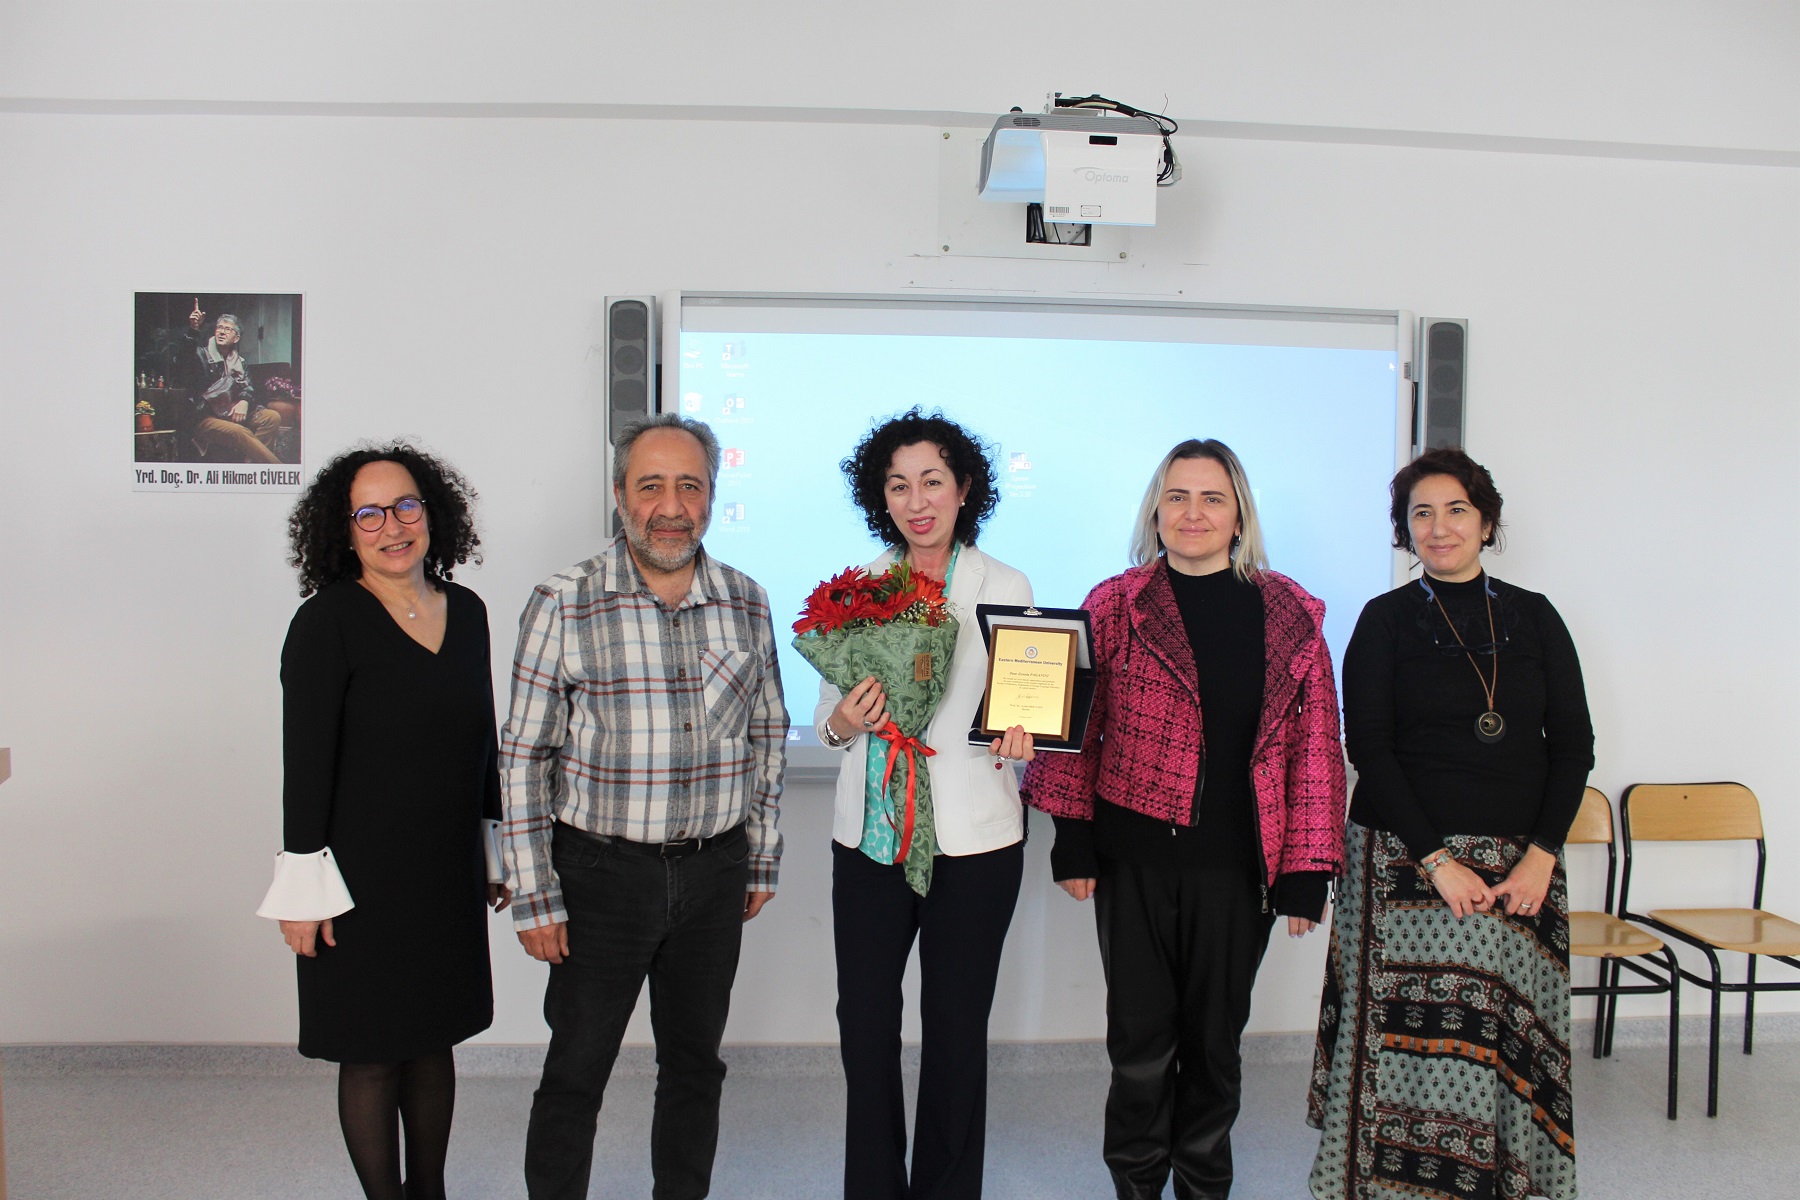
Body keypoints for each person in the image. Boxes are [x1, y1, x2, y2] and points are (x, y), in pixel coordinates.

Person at [1020, 438, 1347, 1200]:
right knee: (1138, 1047)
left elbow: (1315, 748)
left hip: (1238, 869)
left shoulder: (1289, 613)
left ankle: (1203, 1186)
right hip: (1132, 861)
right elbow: (1077, 730)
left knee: (1213, 1049)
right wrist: (1072, 842)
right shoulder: (1115, 603)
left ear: (1239, 516)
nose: (1192, 513)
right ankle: (1136, 1186)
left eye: (1211, 498)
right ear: (1155, 512)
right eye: (1177, 497)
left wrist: (1307, 872)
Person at [500, 412, 788, 1200]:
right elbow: (523, 757)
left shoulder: (746, 600)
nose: (670, 506)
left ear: (711, 496)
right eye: (651, 486)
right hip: (599, 877)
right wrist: (535, 896)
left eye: (689, 486)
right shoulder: (564, 601)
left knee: (694, 1068)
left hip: (714, 872)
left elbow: (767, 734)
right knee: (576, 1071)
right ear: (620, 494)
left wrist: (760, 857)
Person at [1307, 448, 1591, 1200]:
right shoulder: (1385, 620)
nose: (1439, 528)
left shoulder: (1535, 616)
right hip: (1403, 860)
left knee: (1504, 1035)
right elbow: (1369, 748)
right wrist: (1438, 860)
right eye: (1421, 514)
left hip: (1521, 868)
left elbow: (1573, 747)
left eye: (1456, 510)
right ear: (1404, 530)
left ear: (1486, 521)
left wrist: (1541, 857)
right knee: (1410, 1046)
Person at [256, 442, 510, 1200]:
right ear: (344, 530)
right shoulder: (325, 622)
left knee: (432, 1042)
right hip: (356, 882)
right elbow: (304, 765)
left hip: (444, 871)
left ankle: (430, 1191)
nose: (392, 526)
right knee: (370, 1055)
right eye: (369, 514)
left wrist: (493, 849)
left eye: (405, 506)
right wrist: (302, 892)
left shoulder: (468, 612)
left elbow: (483, 740)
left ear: (432, 513)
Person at [818, 409, 1036, 1200]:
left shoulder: (1005, 586)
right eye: (899, 485)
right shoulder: (860, 588)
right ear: (881, 497)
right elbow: (827, 723)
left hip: (975, 845)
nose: (917, 501)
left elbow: (1026, 704)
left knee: (955, 1034)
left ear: (964, 488)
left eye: (932, 482)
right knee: (866, 1029)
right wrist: (846, 720)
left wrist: (1026, 736)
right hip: (872, 842)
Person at [178, 301, 281, 463]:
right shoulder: (200, 355)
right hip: (205, 417)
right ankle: (277, 468)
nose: (222, 332)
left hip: (229, 414)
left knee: (272, 417)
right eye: (219, 328)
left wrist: (244, 401)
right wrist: (194, 329)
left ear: (236, 338)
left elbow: (248, 386)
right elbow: (185, 357)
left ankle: (250, 467)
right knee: (239, 432)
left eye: (228, 329)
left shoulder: (240, 362)